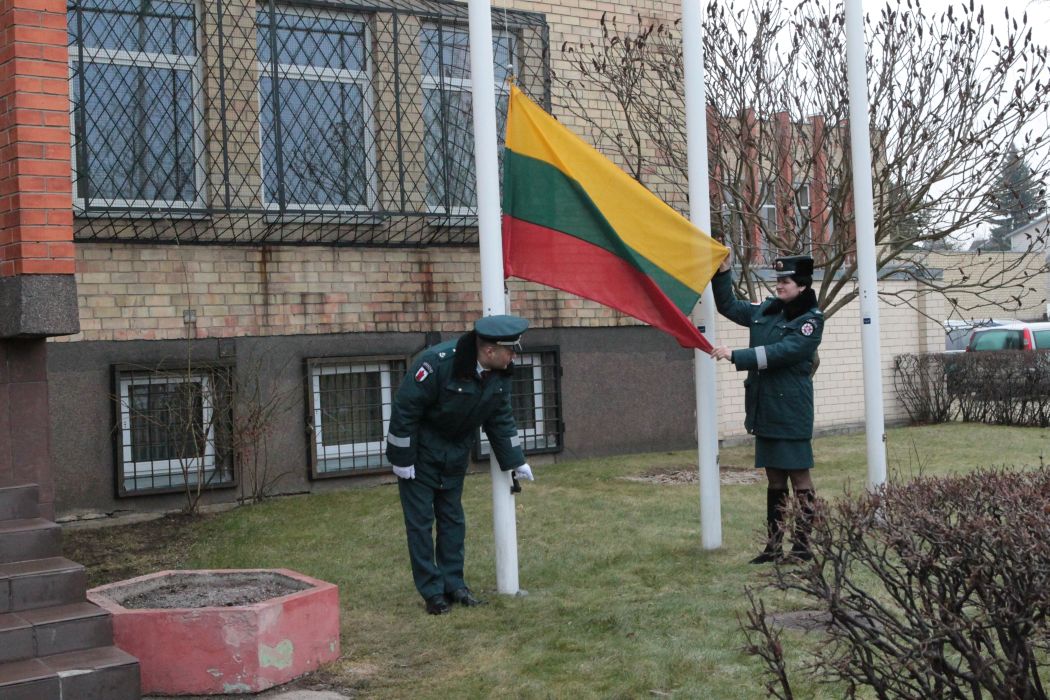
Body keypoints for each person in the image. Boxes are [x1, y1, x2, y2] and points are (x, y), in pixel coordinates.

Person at [386, 315, 535, 614]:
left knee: (453, 521)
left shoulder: (500, 373)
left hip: (454, 454)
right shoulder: (437, 364)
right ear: (489, 351)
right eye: (510, 350)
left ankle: (454, 585)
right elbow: (406, 409)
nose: (514, 356)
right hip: (421, 454)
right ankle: (433, 593)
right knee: (420, 524)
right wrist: (402, 459)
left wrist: (516, 460)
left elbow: (499, 417)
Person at [709, 254, 824, 563]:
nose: (779, 286)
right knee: (774, 479)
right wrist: (723, 273)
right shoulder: (767, 310)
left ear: (802, 285)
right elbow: (728, 306)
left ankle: (802, 546)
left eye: (786, 281)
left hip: (791, 411)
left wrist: (737, 355)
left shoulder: (810, 319)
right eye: (778, 281)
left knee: (799, 478)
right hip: (765, 407)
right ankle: (773, 547)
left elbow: (784, 352)